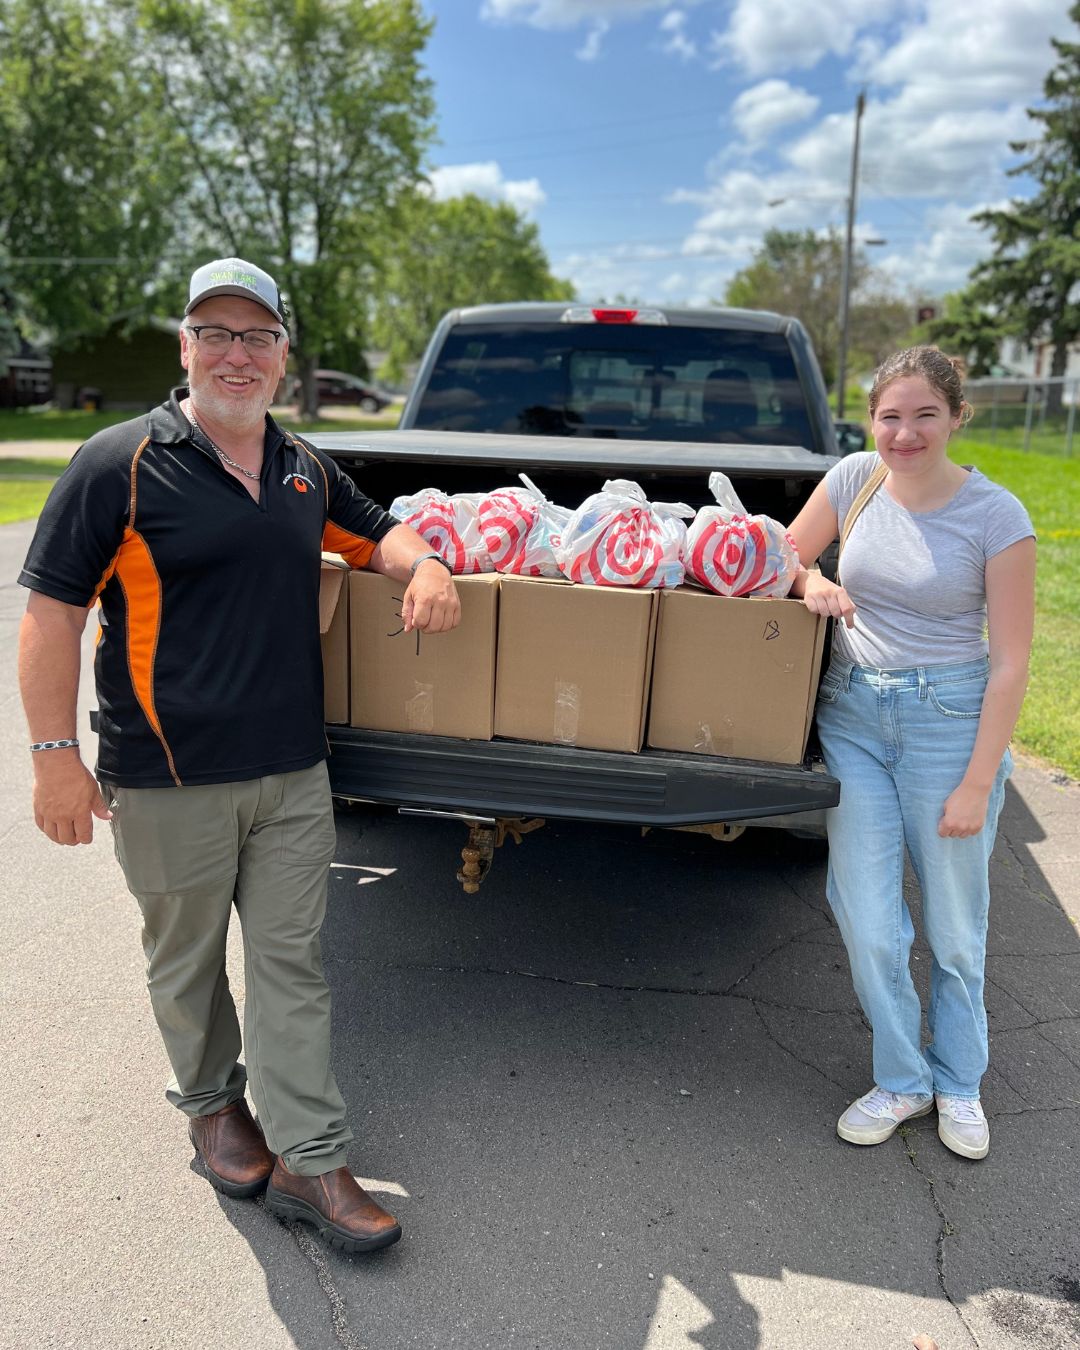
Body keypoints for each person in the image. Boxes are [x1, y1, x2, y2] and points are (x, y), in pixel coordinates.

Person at [18, 257, 461, 1251]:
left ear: (283, 358)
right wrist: (55, 754)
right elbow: (49, 615)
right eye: (215, 334)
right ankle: (214, 1105)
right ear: (185, 348)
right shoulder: (118, 463)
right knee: (184, 961)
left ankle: (311, 1157)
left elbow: (375, 533)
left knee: (291, 962)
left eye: (256, 337)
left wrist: (426, 562)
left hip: (292, 775)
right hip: (166, 775)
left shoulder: (304, 468)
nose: (236, 354)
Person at [786, 346, 1035, 1161]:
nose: (906, 432)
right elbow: (782, 553)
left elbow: (1010, 665)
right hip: (852, 716)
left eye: (925, 413)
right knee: (865, 915)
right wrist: (811, 584)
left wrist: (975, 781)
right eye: (891, 415)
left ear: (958, 417)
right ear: (872, 421)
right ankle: (903, 1077)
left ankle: (959, 1082)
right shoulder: (854, 478)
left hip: (949, 723)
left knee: (956, 926)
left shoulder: (997, 516)